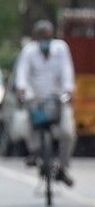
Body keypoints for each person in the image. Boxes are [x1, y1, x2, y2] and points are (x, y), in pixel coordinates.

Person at [15, 19, 76, 186]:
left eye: (47, 36)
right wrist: (22, 90)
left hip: (58, 99)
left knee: (67, 132)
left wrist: (68, 90)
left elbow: (67, 71)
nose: (45, 40)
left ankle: (62, 168)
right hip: (37, 99)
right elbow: (22, 73)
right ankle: (35, 152)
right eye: (41, 37)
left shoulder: (61, 48)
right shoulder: (29, 51)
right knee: (30, 124)